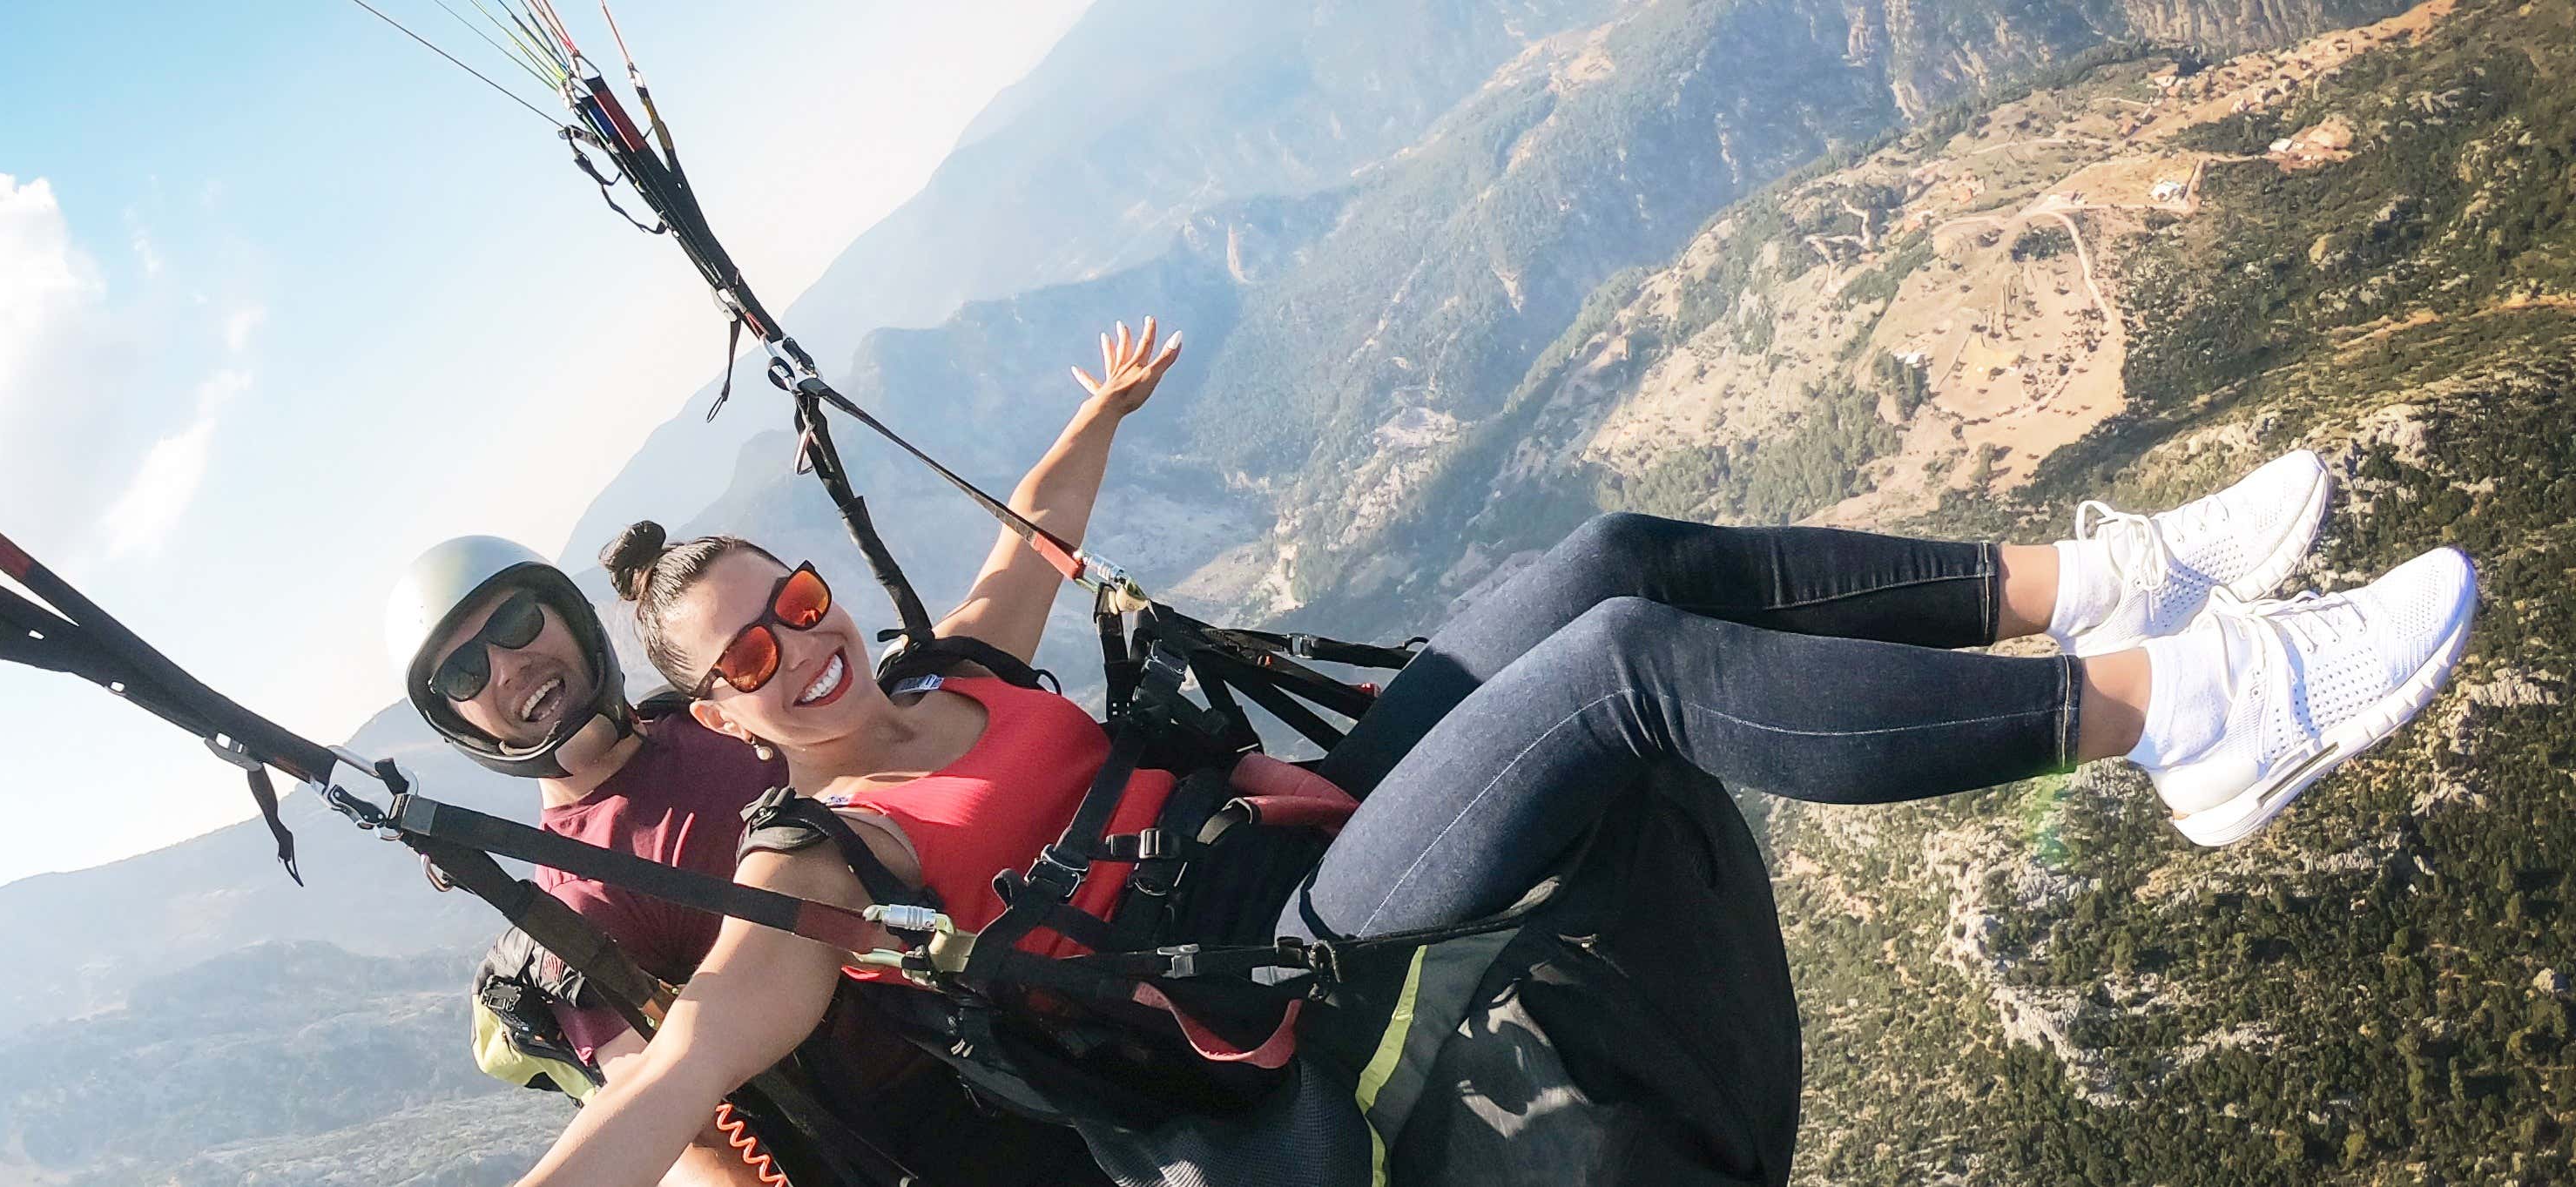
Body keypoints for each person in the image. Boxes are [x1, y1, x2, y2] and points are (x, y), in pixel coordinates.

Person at [509, 317, 2482, 1187]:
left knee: (1603, 556)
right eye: (753, 647)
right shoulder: (817, 863)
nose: (805, 636)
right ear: (715, 714)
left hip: (1310, 811)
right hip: (1290, 949)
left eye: (793, 594)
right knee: (1628, 661)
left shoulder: (942, 659)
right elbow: (693, 1057)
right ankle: (2204, 715)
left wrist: (1095, 414)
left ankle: (2108, 578)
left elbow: (1026, 531)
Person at [385, 536, 1109, 1186]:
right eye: (464, 671)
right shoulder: (577, 902)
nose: (510, 666)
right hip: (949, 1129)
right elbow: (674, 1114)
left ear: (569, 617)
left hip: (1054, 1000)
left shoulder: (712, 703)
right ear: (458, 721)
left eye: (515, 624)